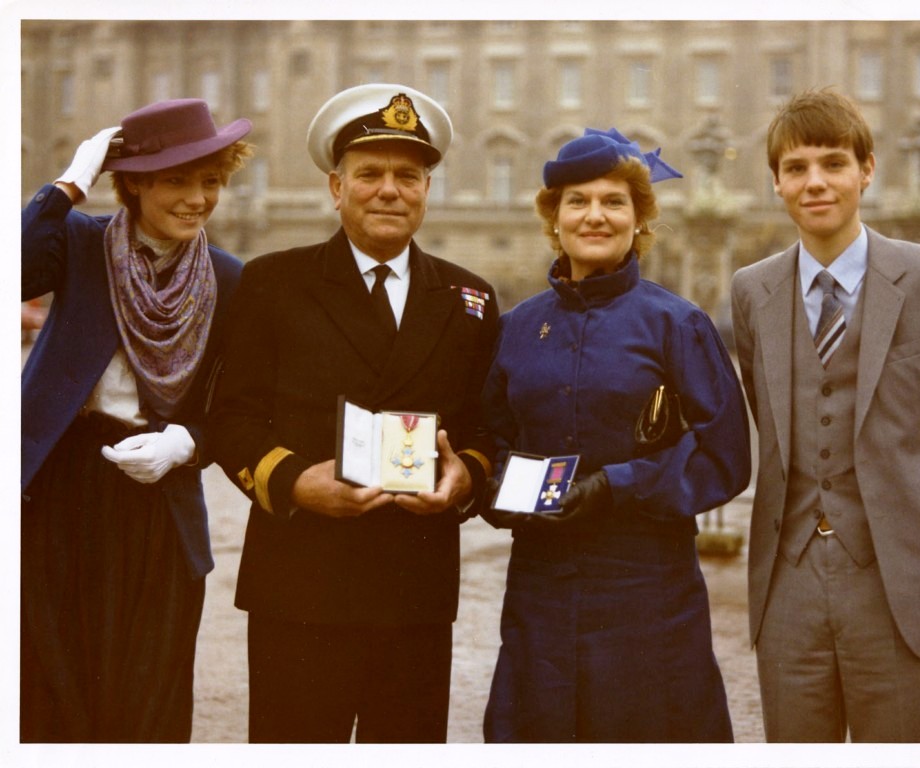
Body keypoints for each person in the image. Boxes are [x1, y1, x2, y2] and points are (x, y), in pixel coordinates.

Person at [209, 83, 499, 744]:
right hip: (302, 584)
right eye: (369, 175)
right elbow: (232, 417)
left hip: (415, 589)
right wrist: (291, 482)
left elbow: (486, 429)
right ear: (336, 188)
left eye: (408, 176)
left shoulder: (467, 298)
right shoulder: (272, 282)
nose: (389, 190)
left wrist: (466, 480)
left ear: (428, 189)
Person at [479, 128, 752, 742]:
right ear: (554, 218)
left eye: (613, 201)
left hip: (647, 591)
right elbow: (490, 437)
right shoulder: (518, 328)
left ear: (639, 218)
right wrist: (498, 490)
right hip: (542, 590)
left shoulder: (676, 324)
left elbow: (725, 456)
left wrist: (615, 486)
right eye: (577, 201)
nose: (594, 215)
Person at [21, 98, 253, 742]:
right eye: (177, 180)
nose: (196, 199)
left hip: (159, 496)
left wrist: (186, 444)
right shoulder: (79, 242)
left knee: (148, 689)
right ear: (136, 183)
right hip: (59, 486)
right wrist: (68, 184)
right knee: (49, 679)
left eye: (209, 181)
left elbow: (236, 405)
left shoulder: (230, 278)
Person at [730, 88, 920, 742]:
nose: (814, 182)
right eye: (795, 169)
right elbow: (769, 418)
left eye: (831, 163)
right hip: (786, 580)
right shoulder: (750, 289)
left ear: (866, 169)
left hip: (899, 578)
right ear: (775, 183)